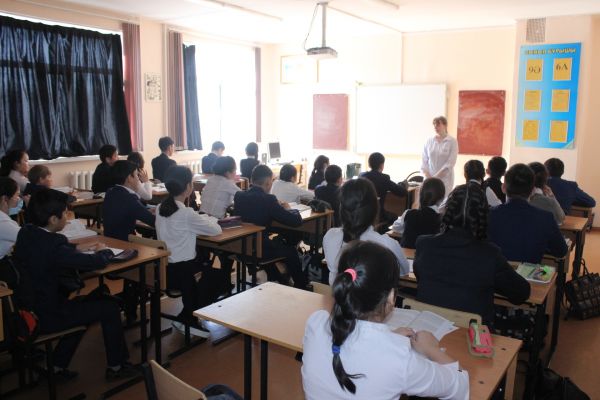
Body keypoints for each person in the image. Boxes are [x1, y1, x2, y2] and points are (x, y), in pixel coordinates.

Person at [302, 240, 469, 400]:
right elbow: (460, 387)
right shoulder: (399, 359)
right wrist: (431, 349)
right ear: (390, 297)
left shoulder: (316, 323)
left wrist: (390, 337)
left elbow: (356, 346)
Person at [14, 189, 136, 381]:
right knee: (109, 307)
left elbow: (53, 251)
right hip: (48, 316)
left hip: (30, 310)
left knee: (93, 300)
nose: (67, 217)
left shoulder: (26, 232)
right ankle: (117, 367)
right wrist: (104, 252)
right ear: (53, 219)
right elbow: (95, 262)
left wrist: (76, 247)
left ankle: (57, 365)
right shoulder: (53, 245)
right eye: (65, 213)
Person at [414, 183, 530, 325]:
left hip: (427, 326)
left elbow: (421, 276)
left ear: (447, 210)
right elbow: (521, 293)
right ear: (484, 215)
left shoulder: (424, 244)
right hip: (471, 332)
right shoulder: (490, 254)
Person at [156, 166, 227, 338]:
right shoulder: (186, 213)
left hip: (165, 270)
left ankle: (185, 316)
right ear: (188, 187)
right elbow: (216, 230)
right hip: (185, 272)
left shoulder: (159, 208)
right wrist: (209, 219)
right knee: (221, 280)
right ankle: (189, 318)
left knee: (208, 272)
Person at [323, 178, 409, 286]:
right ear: (374, 208)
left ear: (341, 208)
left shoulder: (330, 236)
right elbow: (404, 272)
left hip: (335, 295)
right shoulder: (387, 245)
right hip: (372, 297)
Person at [233, 165, 308, 289]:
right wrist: (288, 209)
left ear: (252, 179)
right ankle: (302, 286)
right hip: (258, 250)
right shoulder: (268, 200)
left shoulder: (239, 195)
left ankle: (279, 279)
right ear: (268, 182)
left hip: (240, 247)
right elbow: (296, 221)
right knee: (291, 251)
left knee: (271, 243)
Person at [488, 164, 568, 264]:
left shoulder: (489, 215)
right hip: (528, 273)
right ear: (532, 190)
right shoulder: (545, 218)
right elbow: (561, 252)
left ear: (503, 188)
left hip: (495, 272)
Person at [103, 161, 156, 242]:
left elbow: (127, 211)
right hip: (124, 244)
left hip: (109, 240)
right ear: (129, 178)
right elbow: (153, 221)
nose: (138, 179)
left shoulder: (110, 192)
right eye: (136, 175)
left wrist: (146, 211)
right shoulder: (129, 198)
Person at [392, 177, 445, 249]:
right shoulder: (442, 219)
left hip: (406, 254)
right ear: (442, 198)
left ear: (420, 195)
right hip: (427, 255)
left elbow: (395, 227)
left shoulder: (409, 213)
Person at [361, 152, 408, 226]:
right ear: (382, 165)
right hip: (378, 214)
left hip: (362, 214)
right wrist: (403, 186)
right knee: (395, 216)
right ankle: (383, 231)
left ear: (369, 164)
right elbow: (402, 192)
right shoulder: (384, 178)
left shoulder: (362, 176)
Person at [421, 116, 458, 197]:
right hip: (429, 179)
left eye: (438, 124)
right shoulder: (429, 141)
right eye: (434, 124)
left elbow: (450, 163)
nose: (435, 127)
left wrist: (435, 178)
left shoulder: (452, 141)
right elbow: (424, 161)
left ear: (445, 125)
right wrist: (428, 177)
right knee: (429, 201)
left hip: (445, 180)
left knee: (443, 201)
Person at [0, 177, 21, 259]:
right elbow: (29, 238)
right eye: (17, 195)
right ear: (5, 199)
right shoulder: (3, 223)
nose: (18, 199)